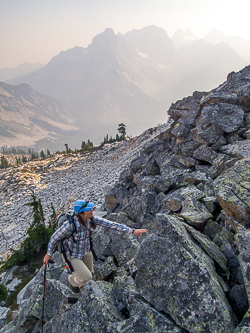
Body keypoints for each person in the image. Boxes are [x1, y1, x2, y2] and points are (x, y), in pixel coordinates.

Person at [43, 199, 148, 292]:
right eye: (89, 209)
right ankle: (71, 280)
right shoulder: (69, 226)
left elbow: (112, 224)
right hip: (71, 255)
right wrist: (49, 254)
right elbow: (54, 238)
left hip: (85, 251)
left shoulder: (91, 219)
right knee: (87, 277)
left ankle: (82, 295)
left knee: (90, 274)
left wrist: (132, 231)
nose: (92, 210)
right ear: (81, 214)